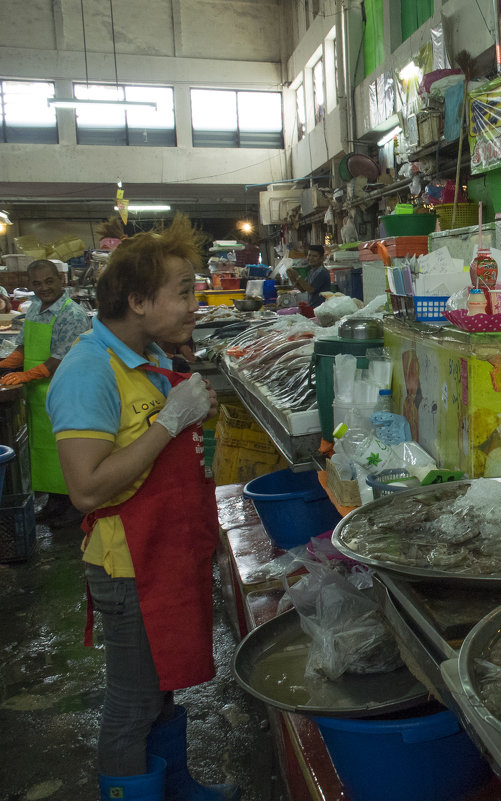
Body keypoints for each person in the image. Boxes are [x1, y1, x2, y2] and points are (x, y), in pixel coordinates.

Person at [46, 215, 239, 801]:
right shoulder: (87, 372)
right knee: (133, 700)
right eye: (183, 292)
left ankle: (175, 786)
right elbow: (86, 489)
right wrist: (169, 422)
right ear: (136, 300)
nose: (194, 304)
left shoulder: (146, 355)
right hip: (127, 564)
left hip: (164, 553)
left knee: (162, 688)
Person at [0, 258, 91, 525]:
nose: (43, 288)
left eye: (49, 281)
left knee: (67, 450)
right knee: (44, 452)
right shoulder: (35, 308)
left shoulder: (71, 314)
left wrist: (27, 375)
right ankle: (54, 504)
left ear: (60, 281)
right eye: (37, 283)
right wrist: (6, 365)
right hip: (38, 397)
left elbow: (61, 358)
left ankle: (75, 508)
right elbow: (24, 347)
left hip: (65, 391)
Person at [286, 243, 331, 308]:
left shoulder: (323, 272)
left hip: (321, 308)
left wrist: (297, 275)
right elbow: (303, 289)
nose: (311, 258)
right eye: (309, 255)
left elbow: (311, 290)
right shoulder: (311, 271)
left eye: (314, 256)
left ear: (321, 258)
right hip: (312, 308)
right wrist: (292, 278)